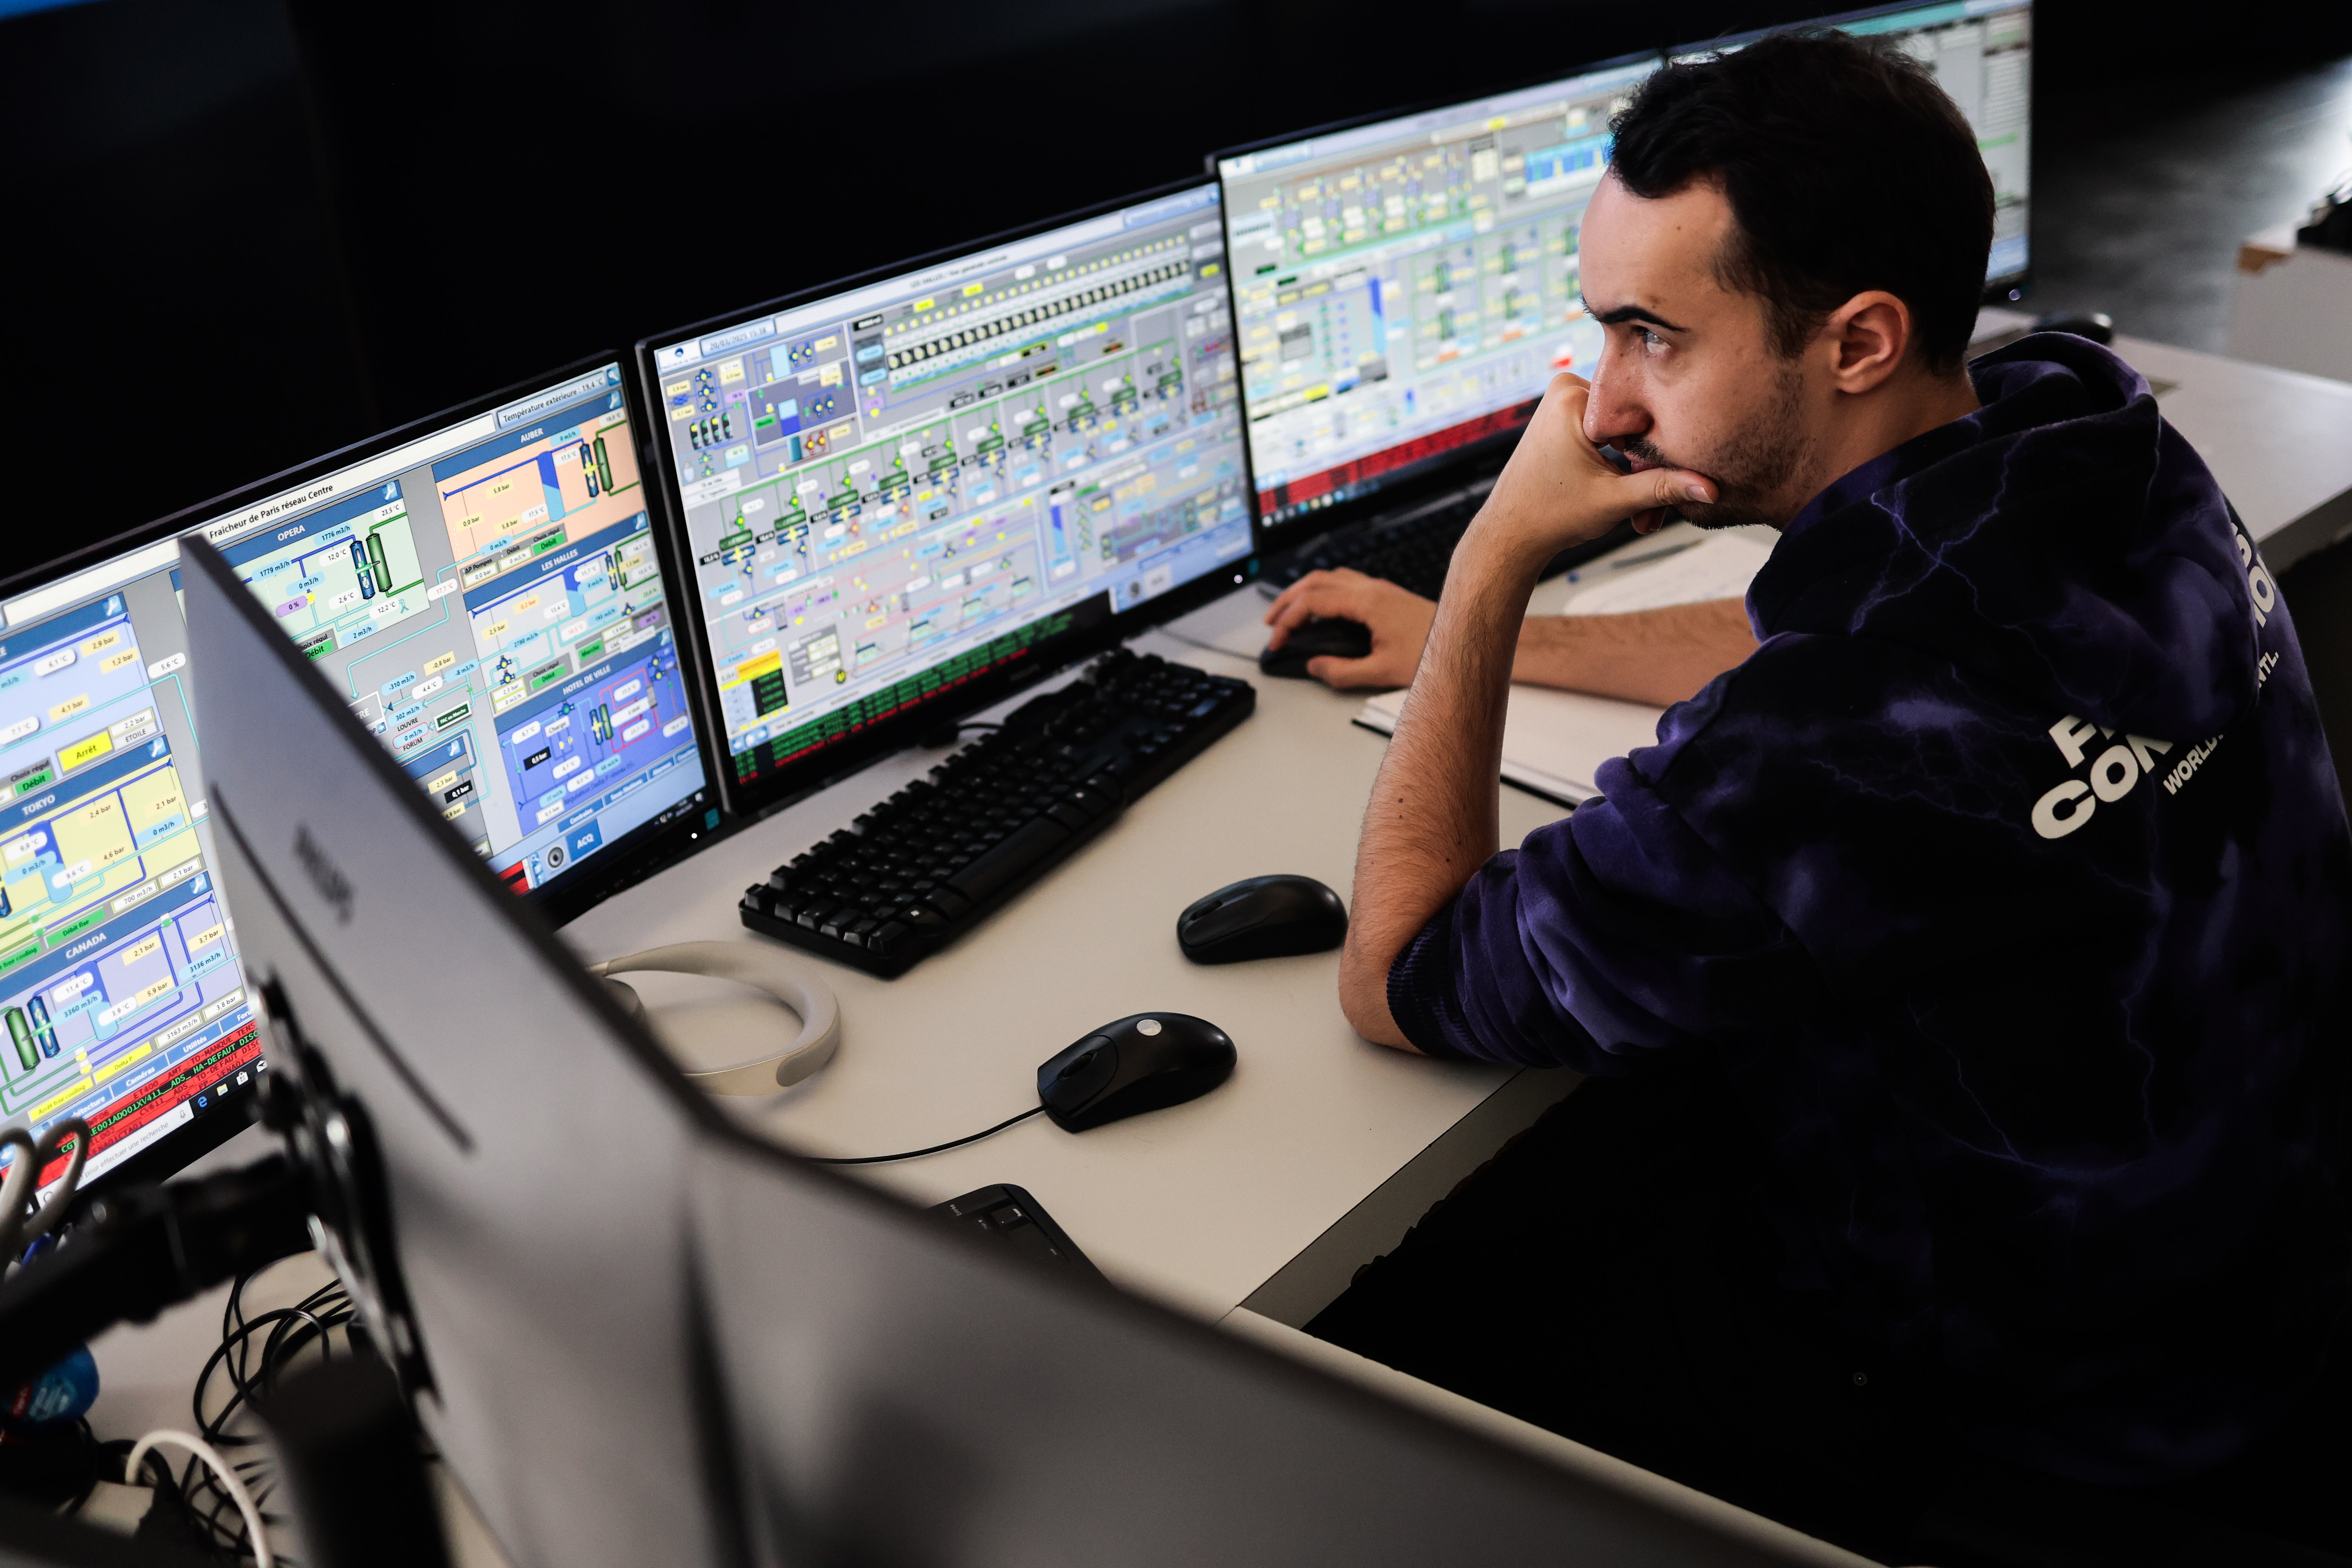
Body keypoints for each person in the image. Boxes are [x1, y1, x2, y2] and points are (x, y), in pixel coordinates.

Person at [1278, 28, 2352, 1562]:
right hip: (2269, 1285)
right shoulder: (2096, 440)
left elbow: (1401, 966)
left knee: (1460, 1302)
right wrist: (1545, 646)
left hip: (2067, 1425)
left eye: (1654, 336)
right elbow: (1864, 664)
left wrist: (1485, 571)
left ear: (1856, 341)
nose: (1604, 407)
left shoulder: (1804, 763)